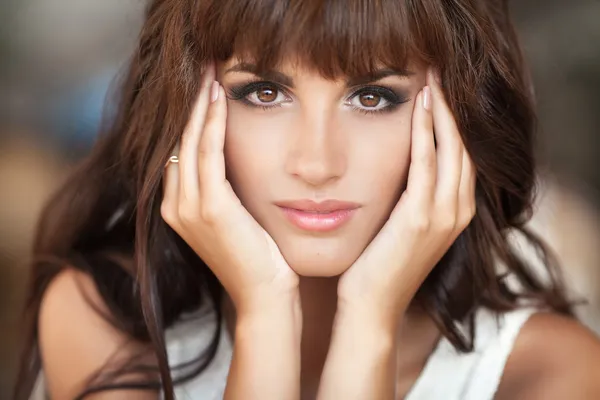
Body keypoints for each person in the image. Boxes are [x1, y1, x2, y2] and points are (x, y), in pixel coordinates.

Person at [13, 0, 600, 399]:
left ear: (463, 116)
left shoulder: (546, 373)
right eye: (264, 92)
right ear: (184, 106)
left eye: (373, 97)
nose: (316, 163)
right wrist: (265, 311)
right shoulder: (103, 323)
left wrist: (370, 318)